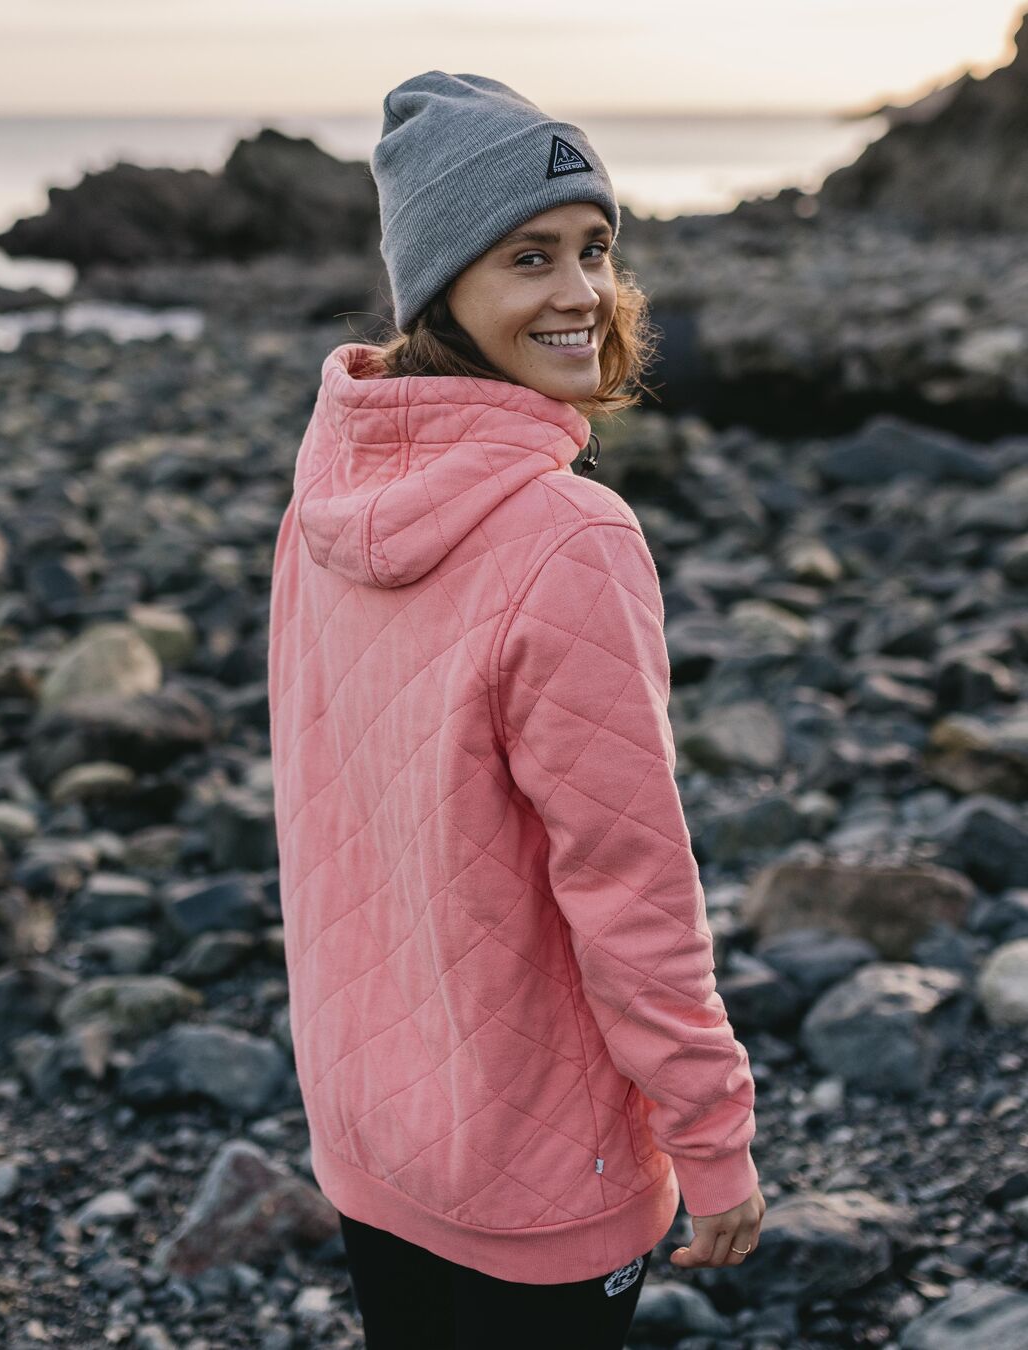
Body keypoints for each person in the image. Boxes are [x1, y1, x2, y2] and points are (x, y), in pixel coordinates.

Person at [267, 70, 765, 1350]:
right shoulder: (568, 537)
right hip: (540, 1172)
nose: (582, 291)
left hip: (371, 1127)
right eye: (528, 256)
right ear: (441, 287)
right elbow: (631, 887)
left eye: (595, 248)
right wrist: (713, 1140)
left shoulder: (327, 487)